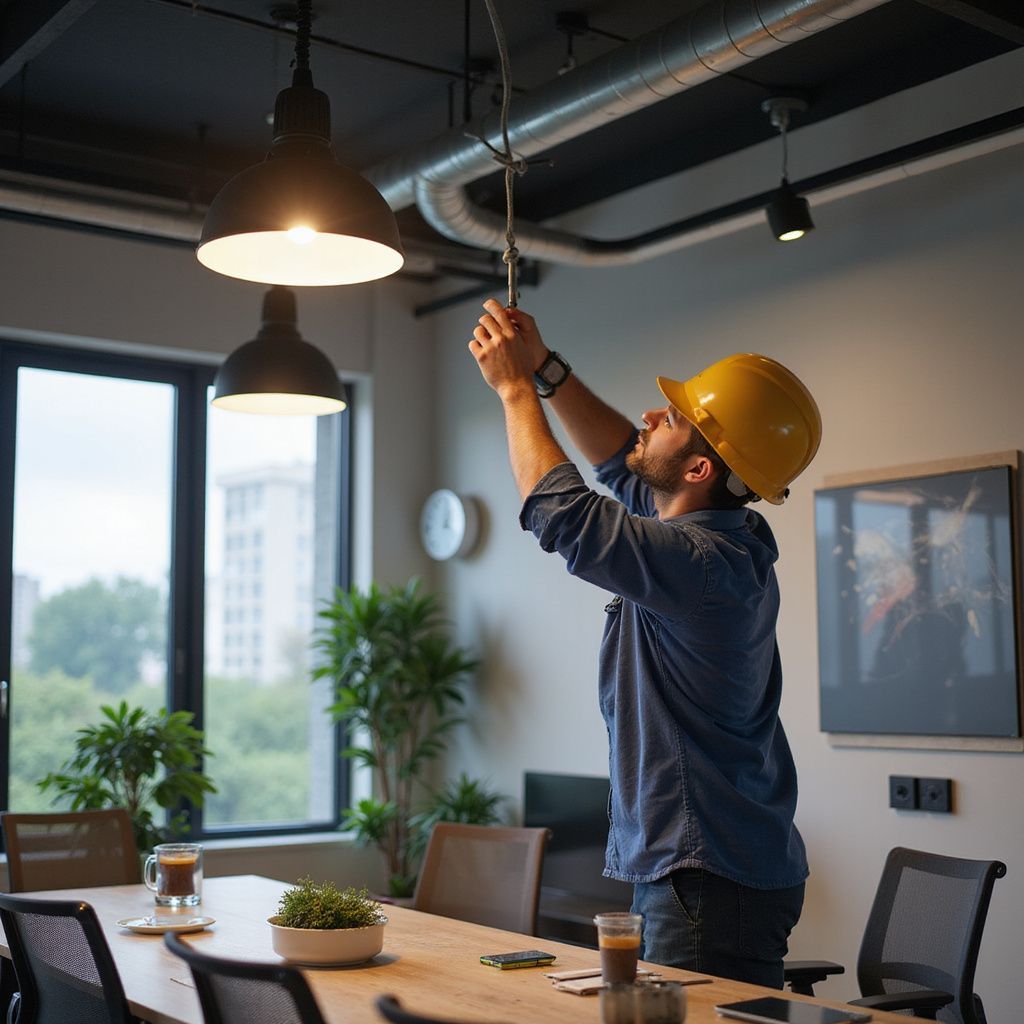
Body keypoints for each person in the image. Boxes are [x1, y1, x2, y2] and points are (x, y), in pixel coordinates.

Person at [468, 298, 822, 988]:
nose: (652, 415)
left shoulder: (699, 564)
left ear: (698, 472)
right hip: (705, 872)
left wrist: (513, 390)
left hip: (704, 880)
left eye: (677, 418)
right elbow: (619, 465)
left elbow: (562, 515)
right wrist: (544, 369)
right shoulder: (717, 540)